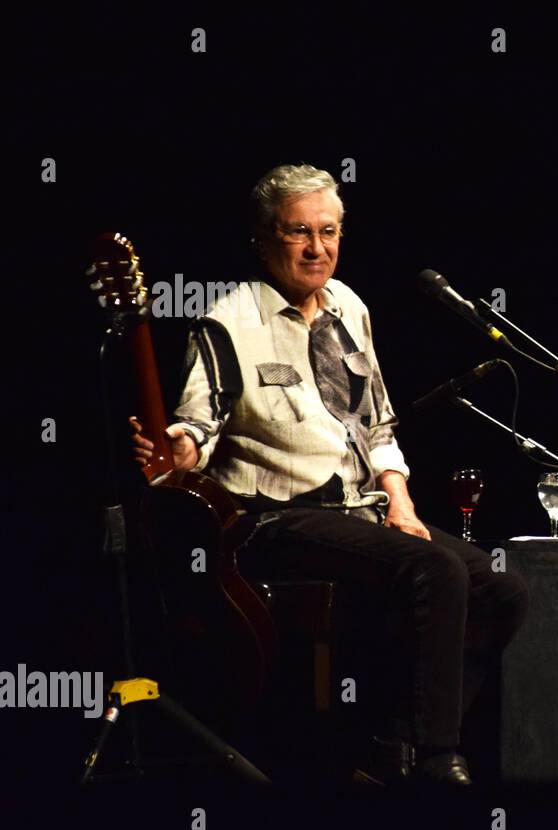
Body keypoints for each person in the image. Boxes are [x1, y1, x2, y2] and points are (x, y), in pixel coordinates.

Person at [130, 163, 527, 785]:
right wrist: (175, 448)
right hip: (278, 519)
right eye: (298, 233)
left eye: (330, 231)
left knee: (501, 586)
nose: (318, 248)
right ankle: (437, 758)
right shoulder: (228, 320)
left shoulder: (350, 307)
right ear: (263, 241)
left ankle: (390, 744)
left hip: (361, 510)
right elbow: (196, 431)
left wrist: (400, 502)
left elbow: (378, 425)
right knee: (434, 568)